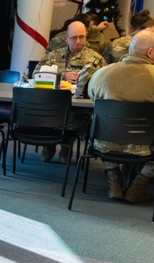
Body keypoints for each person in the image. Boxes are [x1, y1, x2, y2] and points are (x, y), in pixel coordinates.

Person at [86, 30, 154, 203]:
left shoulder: (101, 74)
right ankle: (139, 184)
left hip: (105, 141)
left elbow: (94, 99)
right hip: (146, 144)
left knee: (97, 127)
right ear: (150, 52)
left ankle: (113, 179)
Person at [37, 20, 107, 162]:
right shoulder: (54, 55)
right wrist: (62, 75)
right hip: (53, 105)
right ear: (66, 38)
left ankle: (66, 145)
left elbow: (104, 83)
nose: (78, 41)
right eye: (74, 37)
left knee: (73, 119)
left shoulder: (96, 59)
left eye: (82, 37)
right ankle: (48, 144)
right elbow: (36, 73)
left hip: (79, 108)